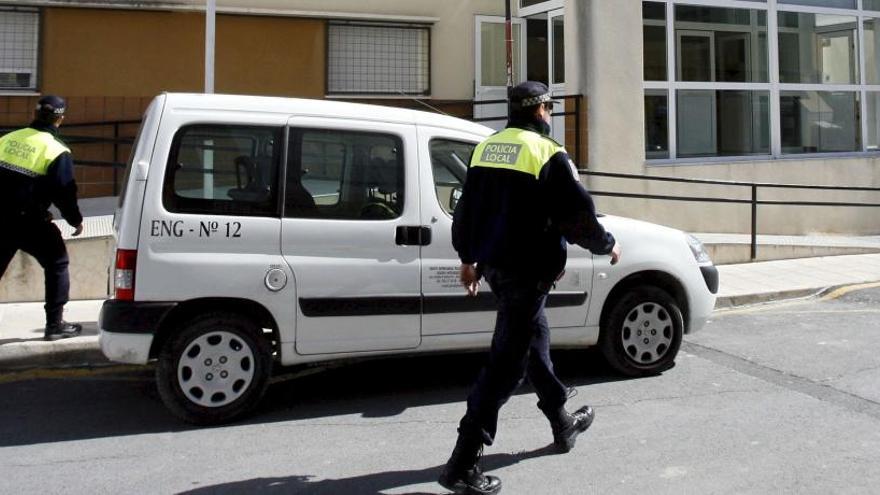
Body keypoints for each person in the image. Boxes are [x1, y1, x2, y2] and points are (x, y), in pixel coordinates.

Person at [439, 81, 621, 494]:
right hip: (526, 273)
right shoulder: (547, 153)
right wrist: (606, 245)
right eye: (549, 107)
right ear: (540, 110)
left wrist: (468, 259)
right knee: (506, 365)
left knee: (534, 340)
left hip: (498, 270)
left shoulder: (487, 147)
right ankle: (463, 463)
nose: (550, 113)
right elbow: (575, 217)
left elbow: (467, 210)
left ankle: (561, 422)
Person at [0, 95, 84, 341]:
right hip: (30, 221)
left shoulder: (7, 139)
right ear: (60, 119)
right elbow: (65, 191)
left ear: (35, 114)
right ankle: (54, 325)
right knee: (57, 264)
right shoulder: (56, 150)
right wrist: (75, 220)